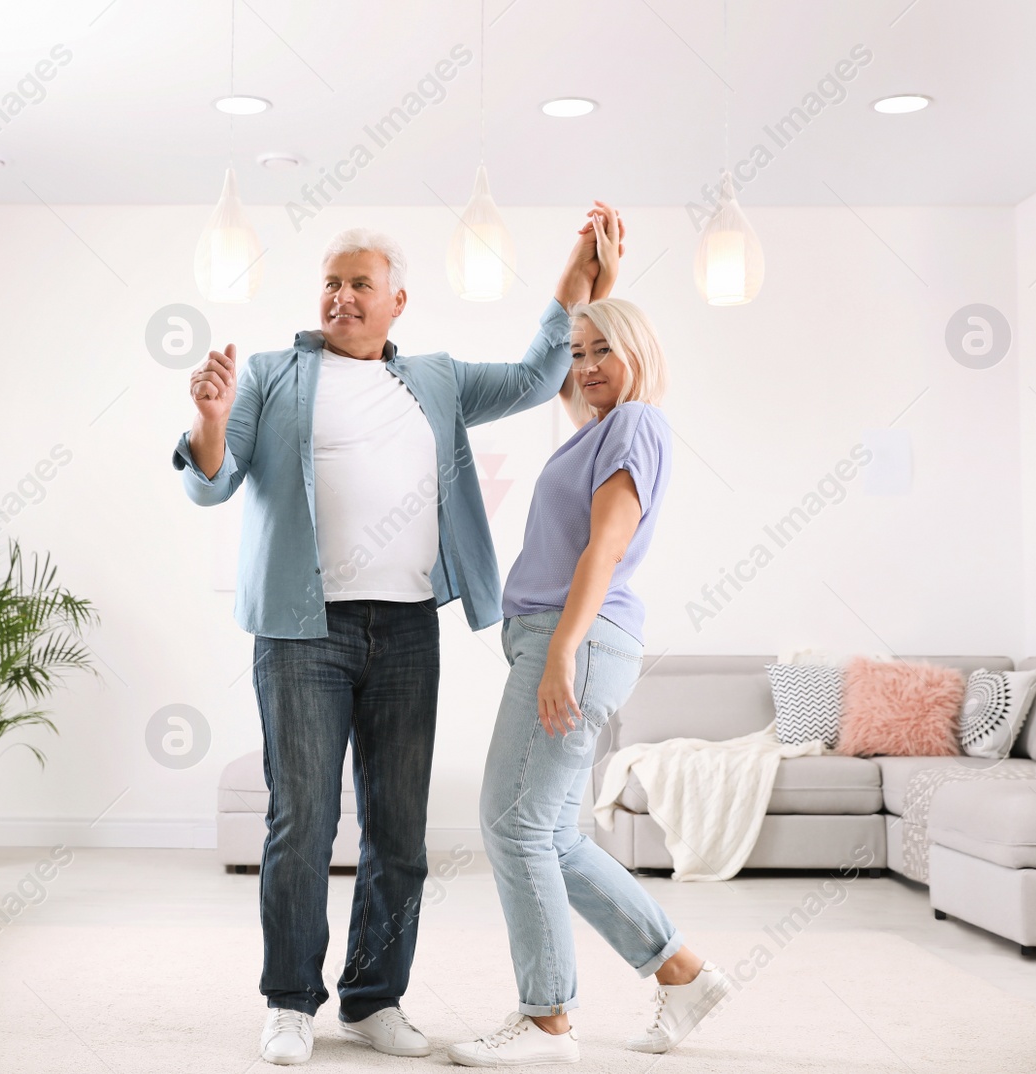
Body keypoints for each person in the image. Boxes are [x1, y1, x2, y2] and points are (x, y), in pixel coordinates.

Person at [172, 213, 618, 1066]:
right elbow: (212, 485)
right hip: (302, 632)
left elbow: (534, 378)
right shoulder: (270, 375)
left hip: (408, 626)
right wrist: (211, 419)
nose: (341, 297)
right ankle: (291, 1003)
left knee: (399, 830)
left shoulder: (439, 380)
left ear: (397, 302)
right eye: (331, 284)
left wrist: (574, 279)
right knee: (300, 822)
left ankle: (375, 1000)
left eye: (359, 284)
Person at [448, 208, 732, 1066]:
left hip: (577, 636)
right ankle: (683, 974)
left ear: (639, 354)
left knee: (512, 826)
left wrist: (562, 650)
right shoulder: (599, 424)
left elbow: (605, 549)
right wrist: (587, 284)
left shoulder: (639, 425)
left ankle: (547, 1024)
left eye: (604, 350)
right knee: (552, 833)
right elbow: (565, 383)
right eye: (578, 353)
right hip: (559, 635)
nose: (586, 367)